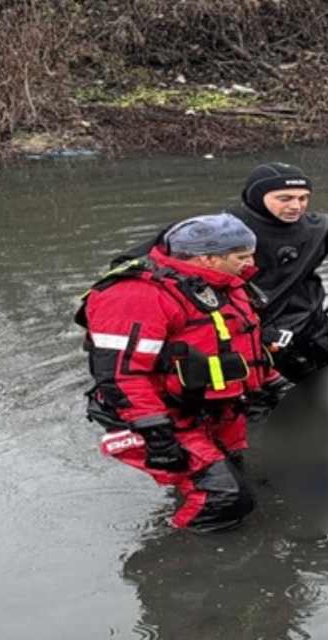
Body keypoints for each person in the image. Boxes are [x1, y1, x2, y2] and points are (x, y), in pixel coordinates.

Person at [75, 212, 281, 532]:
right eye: (241, 256)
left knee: (247, 478)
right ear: (208, 258)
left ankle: (198, 514)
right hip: (160, 417)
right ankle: (180, 558)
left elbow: (241, 344)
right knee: (223, 499)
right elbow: (121, 376)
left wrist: (273, 384)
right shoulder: (137, 295)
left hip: (213, 407)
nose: (250, 263)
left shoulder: (226, 284)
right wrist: (158, 435)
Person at [226, 162, 328, 382]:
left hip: (313, 332)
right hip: (252, 337)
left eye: (303, 198)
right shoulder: (220, 231)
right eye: (285, 198)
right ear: (258, 196)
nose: (296, 206)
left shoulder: (321, 227)